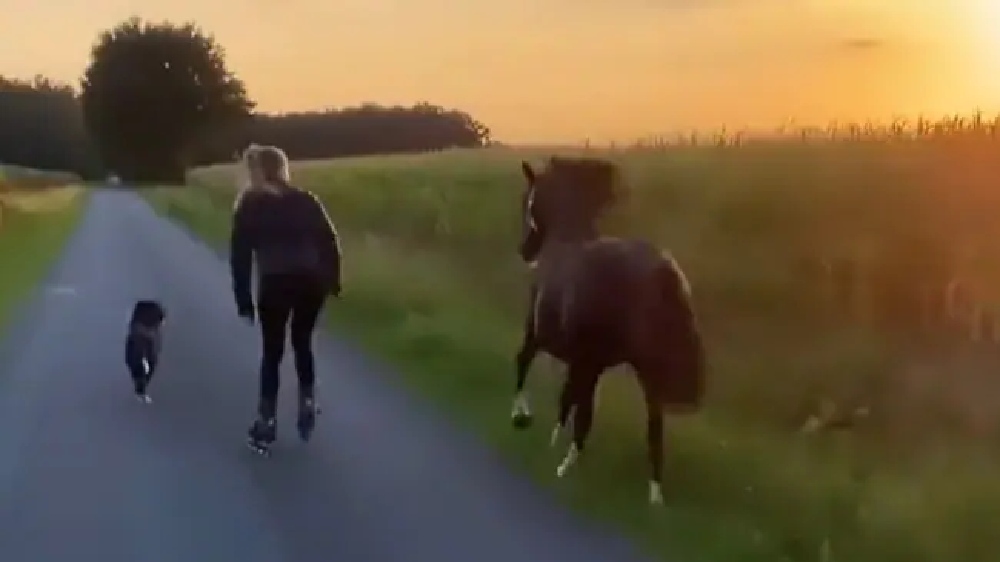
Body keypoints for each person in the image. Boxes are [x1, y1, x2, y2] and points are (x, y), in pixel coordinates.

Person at [229, 144, 343, 453]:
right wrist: (333, 279)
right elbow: (329, 241)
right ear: (282, 168)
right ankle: (307, 400)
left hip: (275, 281)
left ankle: (266, 421)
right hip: (311, 280)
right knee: (303, 341)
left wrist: (243, 299)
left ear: (255, 171)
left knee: (273, 352)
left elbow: (240, 256)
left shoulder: (250, 205)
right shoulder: (307, 200)